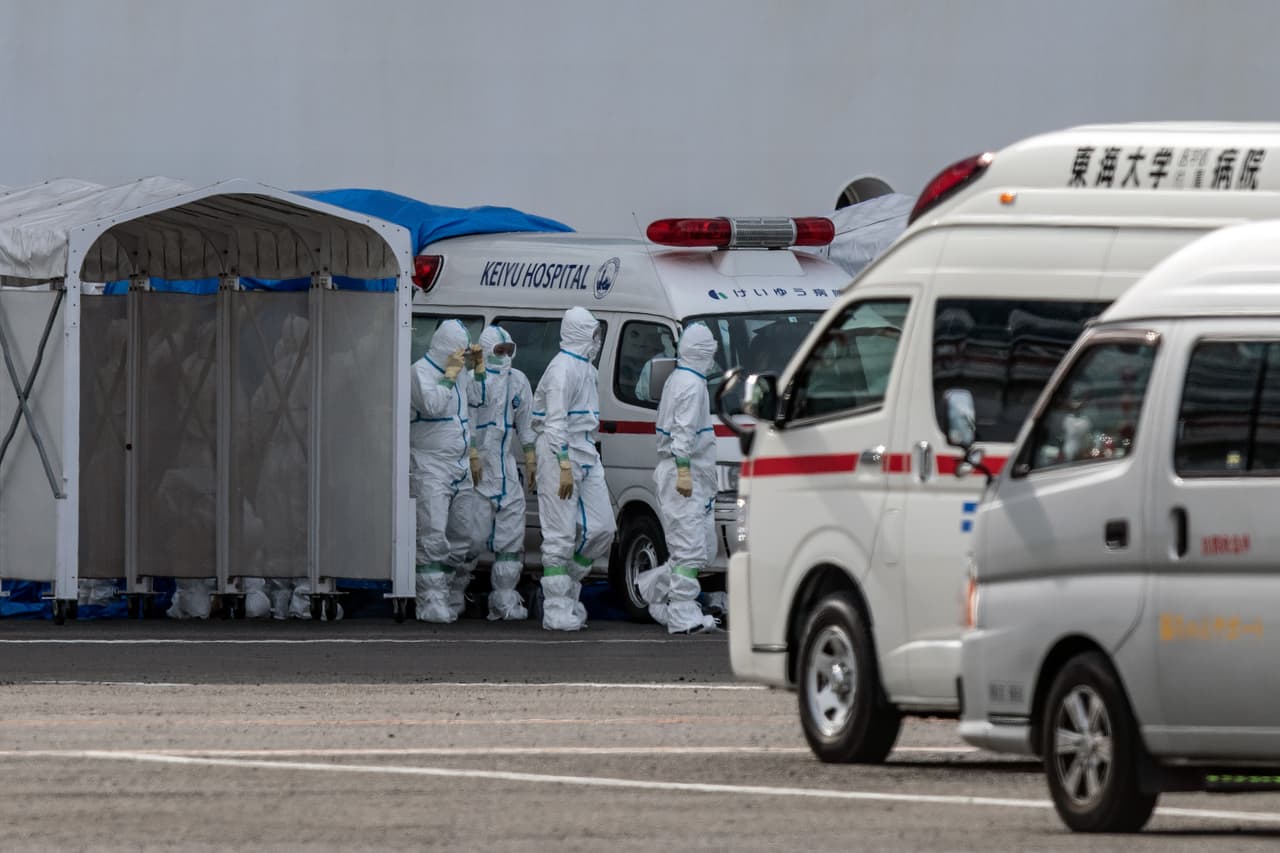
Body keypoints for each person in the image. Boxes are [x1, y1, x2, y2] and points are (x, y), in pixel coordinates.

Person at [531, 307, 616, 631]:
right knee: (560, 533)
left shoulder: (586, 370)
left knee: (602, 528)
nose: (596, 340)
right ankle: (555, 608)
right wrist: (563, 463)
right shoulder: (562, 370)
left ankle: (568, 587)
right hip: (559, 451)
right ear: (581, 334)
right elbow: (554, 422)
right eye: (593, 333)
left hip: (586, 450)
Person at [641, 323, 720, 633]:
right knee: (688, 548)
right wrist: (685, 470)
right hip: (682, 475)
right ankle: (683, 615)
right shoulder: (691, 384)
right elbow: (683, 431)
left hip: (687, 473)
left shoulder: (682, 378)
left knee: (698, 548)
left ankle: (653, 591)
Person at [410, 319, 486, 622]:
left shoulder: (459, 375)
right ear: (445, 348)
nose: (463, 359)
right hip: (430, 465)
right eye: (460, 353)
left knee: (463, 534)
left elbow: (479, 401)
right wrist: (450, 376)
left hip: (460, 464)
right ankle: (430, 598)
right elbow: (431, 405)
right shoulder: (420, 373)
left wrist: (478, 370)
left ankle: (451, 592)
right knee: (433, 534)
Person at [470, 324, 536, 620]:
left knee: (511, 535)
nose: (505, 355)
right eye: (499, 350)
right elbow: (465, 418)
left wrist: (531, 455)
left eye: (508, 350)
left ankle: (505, 598)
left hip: (506, 468)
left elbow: (525, 422)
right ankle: (451, 591)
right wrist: (471, 453)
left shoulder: (518, 381)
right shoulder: (472, 380)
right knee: (470, 536)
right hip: (477, 469)